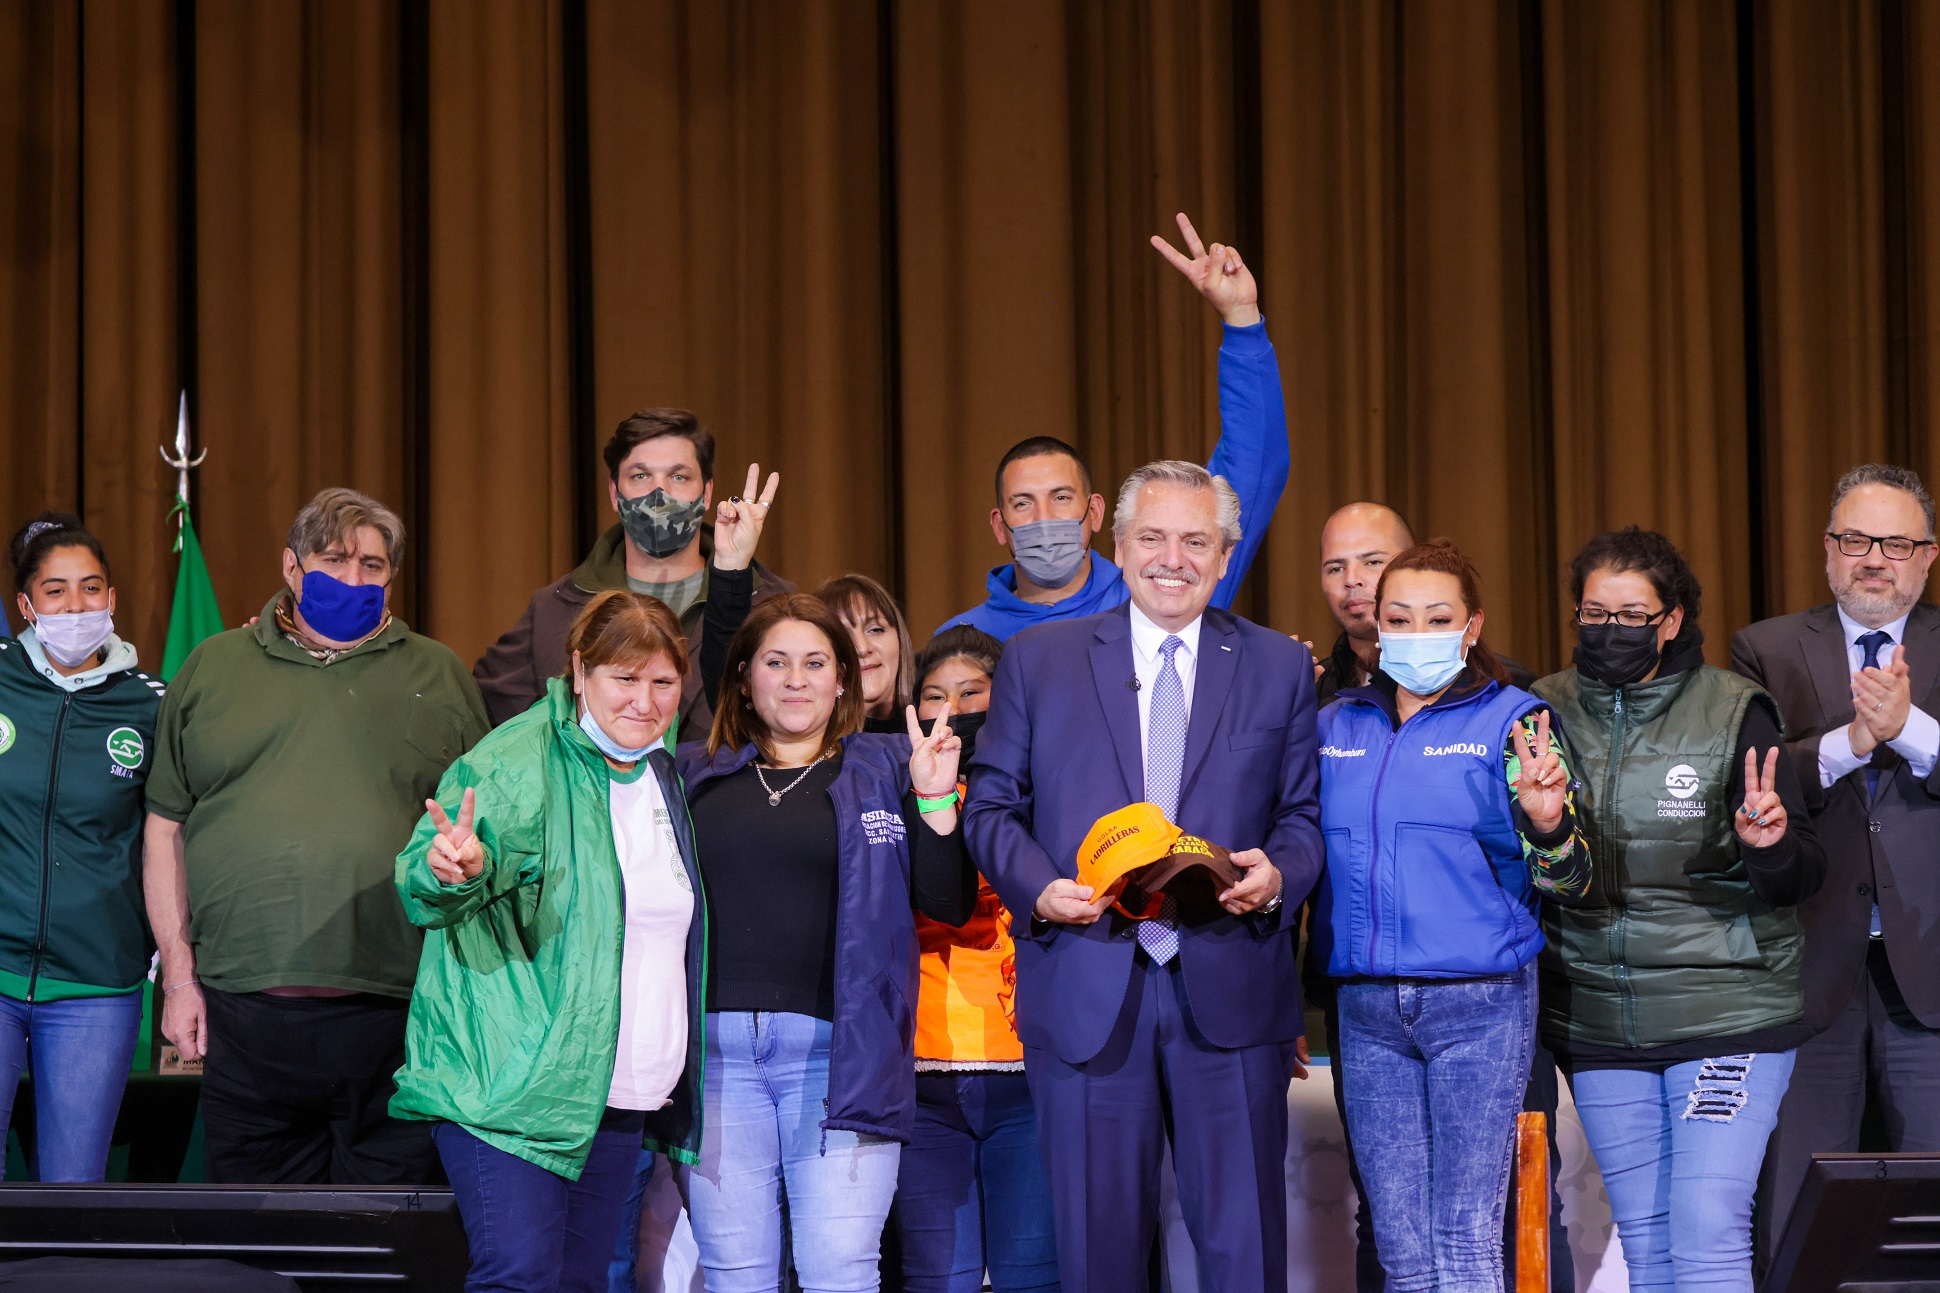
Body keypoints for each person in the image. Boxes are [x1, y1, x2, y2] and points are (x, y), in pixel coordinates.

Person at [966, 459, 1322, 1293]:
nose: (1174, 557)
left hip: (1230, 984)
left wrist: (1280, 874)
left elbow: (1302, 818)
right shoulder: (1036, 659)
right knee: (1097, 1254)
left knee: (1244, 1248)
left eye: (1196, 540)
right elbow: (989, 806)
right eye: (1153, 537)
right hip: (1088, 982)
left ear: (1226, 555)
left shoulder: (1275, 665)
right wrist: (1038, 888)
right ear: (1118, 545)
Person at [144, 487, 490, 1184]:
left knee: (385, 1239)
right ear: (291, 566)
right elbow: (163, 830)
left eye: (373, 563)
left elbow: (475, 834)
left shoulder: (441, 674)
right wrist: (179, 979)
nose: (356, 577)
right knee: (254, 1249)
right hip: (242, 1012)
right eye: (335, 559)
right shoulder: (212, 666)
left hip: (395, 1011)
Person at [390, 591, 705, 1293]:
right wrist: (452, 869)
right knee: (523, 1276)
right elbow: (425, 875)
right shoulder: (517, 760)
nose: (645, 700)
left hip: (617, 1097)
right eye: (625, 678)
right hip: (510, 1090)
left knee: (582, 1282)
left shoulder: (661, 771)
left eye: (662, 681)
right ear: (579, 669)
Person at [1535, 527, 1823, 1291]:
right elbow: (1545, 876)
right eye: (1593, 614)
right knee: (1652, 1245)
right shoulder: (1542, 710)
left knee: (1706, 1231)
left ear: (1672, 618)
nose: (1610, 631)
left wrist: (1766, 846)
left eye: (1632, 614)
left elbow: (1800, 875)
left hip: (1727, 1011)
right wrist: (1547, 827)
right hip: (1599, 1020)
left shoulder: (1734, 710)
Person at [1312, 539, 1591, 1293]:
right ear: (1375, 624)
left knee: (1466, 1240)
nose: (1417, 632)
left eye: (1438, 617)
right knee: (1401, 1252)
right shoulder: (1336, 725)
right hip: (1367, 1009)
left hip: (1481, 1004)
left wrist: (1546, 822)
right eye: (1399, 617)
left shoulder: (1516, 721)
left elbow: (1573, 879)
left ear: (1471, 628)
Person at [676, 593, 977, 1292]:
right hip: (715, 1062)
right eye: (775, 662)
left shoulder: (887, 766)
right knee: (735, 1275)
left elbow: (946, 901)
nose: (795, 679)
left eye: (815, 663)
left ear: (842, 678)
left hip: (841, 1061)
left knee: (839, 1270)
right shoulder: (693, 773)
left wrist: (934, 799)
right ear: (745, 676)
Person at [1732, 463, 1940, 1264]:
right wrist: (1853, 741)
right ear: (1828, 550)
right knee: (1797, 1209)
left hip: (1930, 974)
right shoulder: (1768, 648)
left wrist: (1912, 728)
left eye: (1896, 541)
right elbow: (1750, 780)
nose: (1874, 558)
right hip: (1809, 967)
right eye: (1856, 539)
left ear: (1927, 556)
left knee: (1931, 1210)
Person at [938, 215, 1289, 640]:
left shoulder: (1163, 591)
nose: (1045, 519)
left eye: (1062, 497)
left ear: (1096, 512)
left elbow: (1256, 465)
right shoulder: (961, 639)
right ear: (999, 525)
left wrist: (1241, 319)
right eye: (1023, 504)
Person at [895, 626, 1057, 1293]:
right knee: (940, 1280)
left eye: (971, 693)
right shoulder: (899, 793)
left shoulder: (1045, 793)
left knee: (1033, 1278)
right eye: (934, 696)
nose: (952, 710)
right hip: (923, 1074)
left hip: (1027, 1069)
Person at [0, 514, 162, 1181]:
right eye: (57, 590)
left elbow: (170, 839)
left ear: (113, 598)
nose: (75, 605)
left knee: (72, 1192)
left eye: (90, 588)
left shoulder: (153, 703)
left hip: (97, 982)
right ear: (26, 605)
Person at [474, 408, 794, 733]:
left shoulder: (774, 605)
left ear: (707, 492)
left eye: (679, 476)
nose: (660, 495)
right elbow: (488, 722)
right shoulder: (552, 609)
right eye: (640, 476)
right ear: (615, 494)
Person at [819, 573, 916, 734]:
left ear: (900, 638)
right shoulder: (811, 748)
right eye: (843, 636)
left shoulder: (936, 727)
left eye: (875, 630)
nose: (862, 649)